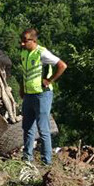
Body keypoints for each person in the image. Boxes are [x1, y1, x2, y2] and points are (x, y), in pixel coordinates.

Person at [18, 28, 67, 166]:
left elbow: (62, 65)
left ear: (33, 40)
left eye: (25, 41)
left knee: (43, 128)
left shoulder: (42, 53)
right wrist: (22, 88)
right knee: (27, 127)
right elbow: (25, 73)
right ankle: (27, 159)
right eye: (21, 40)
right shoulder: (24, 53)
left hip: (42, 95)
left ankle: (47, 161)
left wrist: (49, 80)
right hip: (29, 95)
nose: (22, 43)